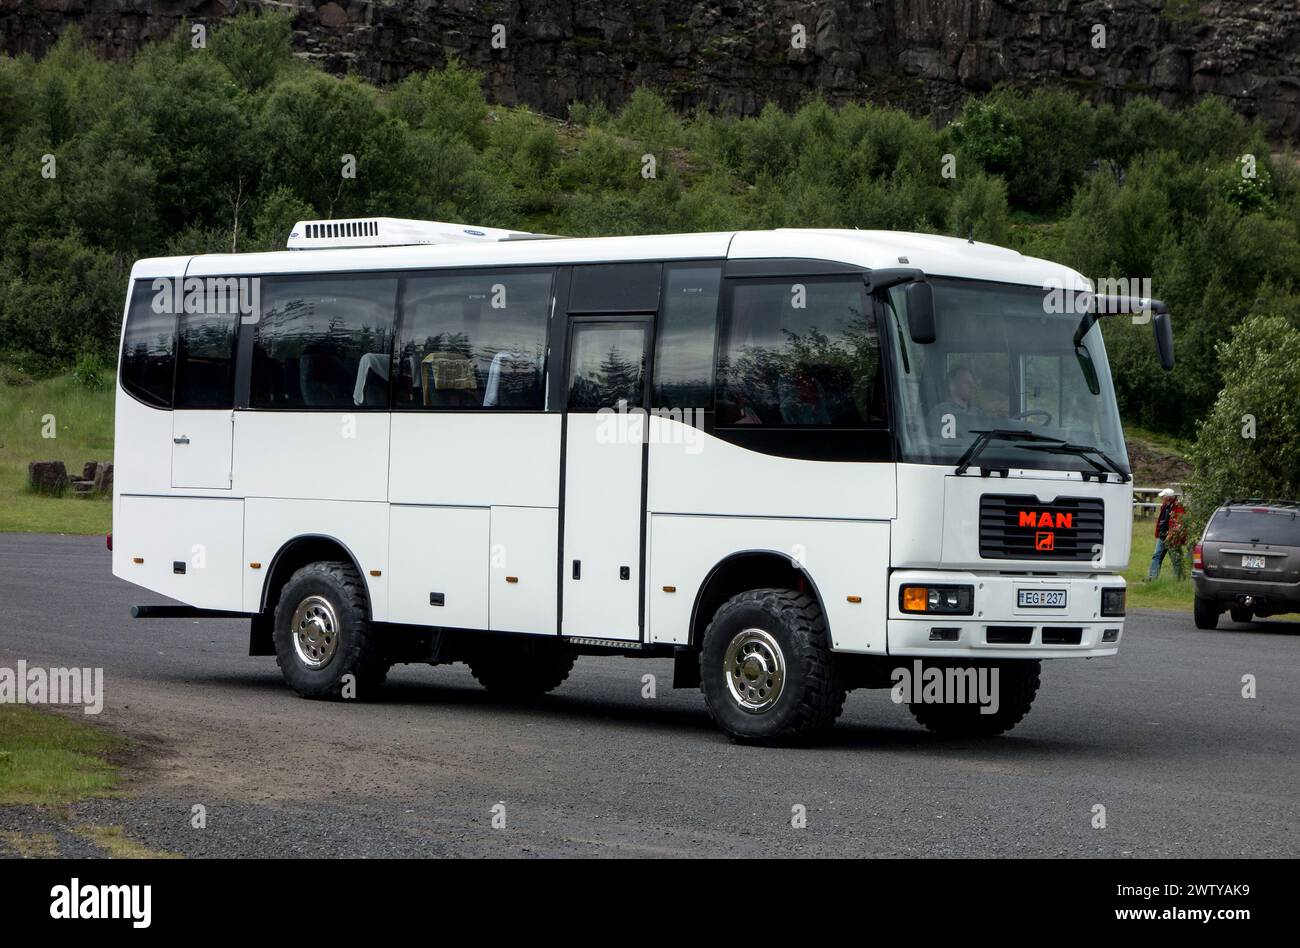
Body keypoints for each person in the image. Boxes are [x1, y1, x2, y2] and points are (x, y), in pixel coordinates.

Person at [1148, 488, 1185, 580]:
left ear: (1168, 498)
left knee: (1175, 559)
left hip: (1173, 538)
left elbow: (1179, 523)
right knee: (1156, 556)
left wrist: (1170, 535)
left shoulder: (1178, 506)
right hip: (1162, 536)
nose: (1161, 499)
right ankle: (1152, 578)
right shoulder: (1164, 506)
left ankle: (1178, 579)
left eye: (1163, 497)